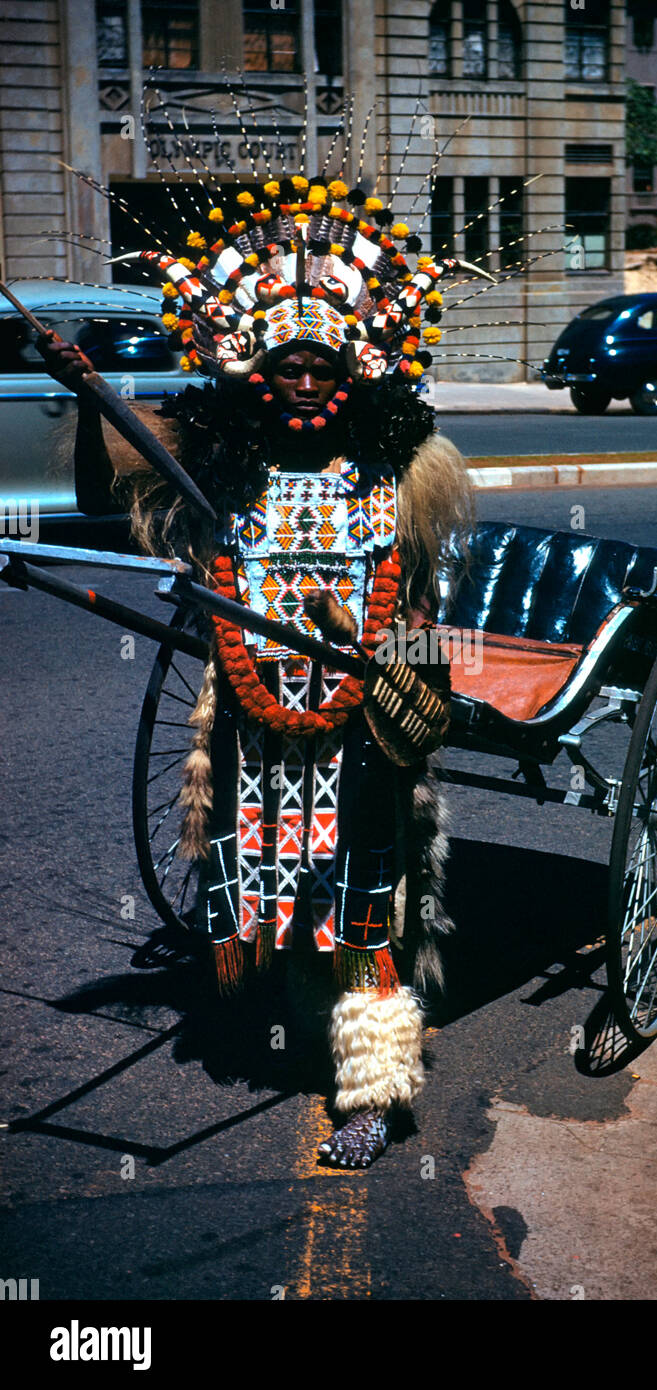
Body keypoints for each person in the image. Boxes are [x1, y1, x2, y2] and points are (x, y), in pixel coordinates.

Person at [37, 173, 475, 1169]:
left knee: (363, 904)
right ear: (257, 369)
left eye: (325, 363)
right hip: (249, 710)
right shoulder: (219, 455)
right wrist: (87, 381)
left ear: (354, 370)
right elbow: (107, 473)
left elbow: (419, 611)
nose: (308, 379)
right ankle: (290, 1011)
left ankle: (372, 1088)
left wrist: (402, 688)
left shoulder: (404, 468)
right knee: (266, 879)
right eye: (289, 363)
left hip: (360, 720)